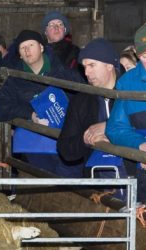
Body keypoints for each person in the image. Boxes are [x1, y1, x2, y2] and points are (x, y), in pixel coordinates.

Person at [0, 29, 84, 178]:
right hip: (35, 141)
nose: (27, 51)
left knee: (69, 176)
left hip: (65, 136)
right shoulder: (16, 78)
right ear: (20, 55)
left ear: (41, 47)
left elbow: (83, 100)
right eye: (23, 48)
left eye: (31, 45)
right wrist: (30, 114)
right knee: (41, 178)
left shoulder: (64, 74)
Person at [57, 38, 128, 200]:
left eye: (92, 66)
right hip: (98, 185)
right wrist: (85, 138)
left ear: (109, 65)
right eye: (84, 67)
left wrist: (110, 126)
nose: (86, 73)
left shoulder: (130, 94)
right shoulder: (81, 101)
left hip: (135, 178)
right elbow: (65, 148)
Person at [106, 23, 146, 203]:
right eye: (145, 56)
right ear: (137, 55)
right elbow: (115, 128)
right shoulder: (128, 83)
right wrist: (140, 145)